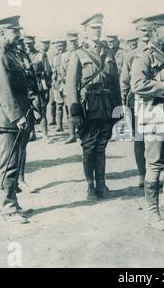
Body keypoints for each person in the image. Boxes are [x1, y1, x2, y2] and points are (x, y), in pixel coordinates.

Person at [131, 12, 164, 230]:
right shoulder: (143, 55)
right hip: (152, 115)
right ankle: (152, 213)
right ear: (155, 31)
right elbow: (137, 84)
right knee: (154, 164)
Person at [0, 16, 40, 223]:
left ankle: (13, 203)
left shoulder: (13, 53)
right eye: (15, 32)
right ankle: (7, 208)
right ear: (2, 33)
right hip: (7, 118)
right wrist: (17, 116)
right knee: (8, 163)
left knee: (16, 161)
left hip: (17, 115)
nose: (19, 35)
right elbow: (4, 90)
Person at [65, 13, 122, 199]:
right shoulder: (78, 53)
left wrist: (119, 107)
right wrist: (73, 110)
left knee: (102, 146)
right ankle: (90, 187)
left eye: (99, 28)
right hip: (88, 107)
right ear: (85, 31)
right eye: (92, 28)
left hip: (106, 104)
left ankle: (102, 185)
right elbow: (71, 85)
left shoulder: (108, 52)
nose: (96, 31)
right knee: (89, 146)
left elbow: (115, 82)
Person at [120, 17, 150, 189]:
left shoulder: (160, 51)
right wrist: (124, 103)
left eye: (148, 29)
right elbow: (124, 81)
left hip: (156, 102)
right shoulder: (131, 55)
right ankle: (142, 174)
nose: (145, 33)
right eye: (142, 30)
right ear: (137, 32)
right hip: (137, 102)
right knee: (139, 140)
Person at [24, 35, 53, 144]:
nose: (27, 46)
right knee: (29, 111)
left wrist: (39, 76)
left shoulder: (41, 55)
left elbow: (48, 72)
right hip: (27, 88)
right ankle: (32, 134)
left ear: (33, 43)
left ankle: (45, 135)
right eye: (25, 44)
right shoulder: (23, 56)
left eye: (29, 44)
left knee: (40, 111)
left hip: (38, 87)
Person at [62, 32, 80, 144]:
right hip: (70, 86)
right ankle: (72, 134)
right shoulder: (64, 56)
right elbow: (63, 73)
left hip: (82, 86)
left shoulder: (82, 52)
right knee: (70, 110)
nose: (73, 43)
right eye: (70, 41)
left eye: (74, 41)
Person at [51, 39, 67, 132]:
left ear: (65, 46)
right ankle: (59, 126)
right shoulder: (55, 57)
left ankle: (73, 126)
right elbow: (53, 71)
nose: (60, 48)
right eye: (58, 46)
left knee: (68, 105)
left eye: (61, 46)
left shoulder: (69, 55)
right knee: (59, 105)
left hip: (65, 83)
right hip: (57, 84)